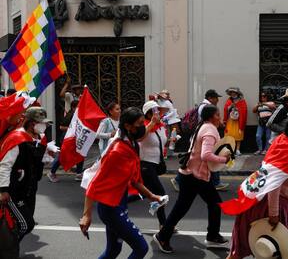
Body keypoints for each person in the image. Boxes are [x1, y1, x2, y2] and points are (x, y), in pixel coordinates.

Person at [79, 107, 165, 259]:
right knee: (141, 248)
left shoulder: (132, 143)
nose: (142, 126)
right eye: (139, 123)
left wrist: (152, 196)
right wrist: (87, 215)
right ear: (128, 126)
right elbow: (94, 182)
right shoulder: (117, 151)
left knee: (113, 251)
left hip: (120, 203)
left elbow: (135, 180)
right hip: (111, 210)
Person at [224, 117, 288, 259]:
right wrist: (274, 214)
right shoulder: (287, 151)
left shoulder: (282, 142)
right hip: (280, 207)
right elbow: (274, 184)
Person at [154, 104, 231, 253]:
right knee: (184, 208)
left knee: (214, 204)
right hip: (194, 176)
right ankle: (163, 236)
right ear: (210, 117)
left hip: (194, 174)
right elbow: (205, 155)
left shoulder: (202, 126)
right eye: (217, 115)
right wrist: (224, 160)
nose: (219, 117)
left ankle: (213, 235)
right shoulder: (209, 130)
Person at [0, 107, 53, 246]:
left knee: (23, 222)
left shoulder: (40, 138)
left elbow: (37, 161)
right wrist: (3, 190)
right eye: (41, 122)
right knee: (26, 224)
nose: (44, 126)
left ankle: (10, 250)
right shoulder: (16, 138)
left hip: (30, 188)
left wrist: (48, 155)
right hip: (14, 190)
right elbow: (5, 165)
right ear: (31, 123)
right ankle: (7, 248)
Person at [171, 89, 229, 192]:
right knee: (200, 158)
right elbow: (206, 155)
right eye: (216, 98)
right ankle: (214, 182)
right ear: (210, 98)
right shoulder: (206, 111)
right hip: (201, 137)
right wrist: (224, 160)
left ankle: (181, 180)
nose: (217, 100)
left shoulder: (206, 110)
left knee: (195, 160)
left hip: (199, 136)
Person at [138, 100, 171, 228]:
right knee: (161, 195)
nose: (158, 113)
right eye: (154, 111)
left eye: (158, 111)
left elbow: (161, 142)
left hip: (156, 163)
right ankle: (164, 224)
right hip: (145, 163)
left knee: (143, 193)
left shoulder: (161, 126)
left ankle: (120, 201)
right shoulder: (144, 126)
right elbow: (140, 138)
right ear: (148, 114)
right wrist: (152, 122)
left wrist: (170, 141)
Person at [47, 100, 81, 183]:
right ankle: (51, 172)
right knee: (62, 156)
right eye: (78, 106)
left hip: (74, 139)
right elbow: (61, 127)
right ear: (74, 107)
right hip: (67, 139)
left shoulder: (77, 115)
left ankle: (79, 173)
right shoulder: (70, 115)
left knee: (80, 154)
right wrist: (72, 129)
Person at [223, 87, 248, 156]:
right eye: (231, 93)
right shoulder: (229, 100)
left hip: (238, 121)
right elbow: (225, 109)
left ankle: (237, 150)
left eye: (234, 92)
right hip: (230, 120)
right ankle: (230, 149)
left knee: (238, 135)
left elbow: (244, 110)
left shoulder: (242, 101)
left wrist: (237, 108)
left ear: (237, 93)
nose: (233, 94)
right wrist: (230, 106)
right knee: (229, 135)